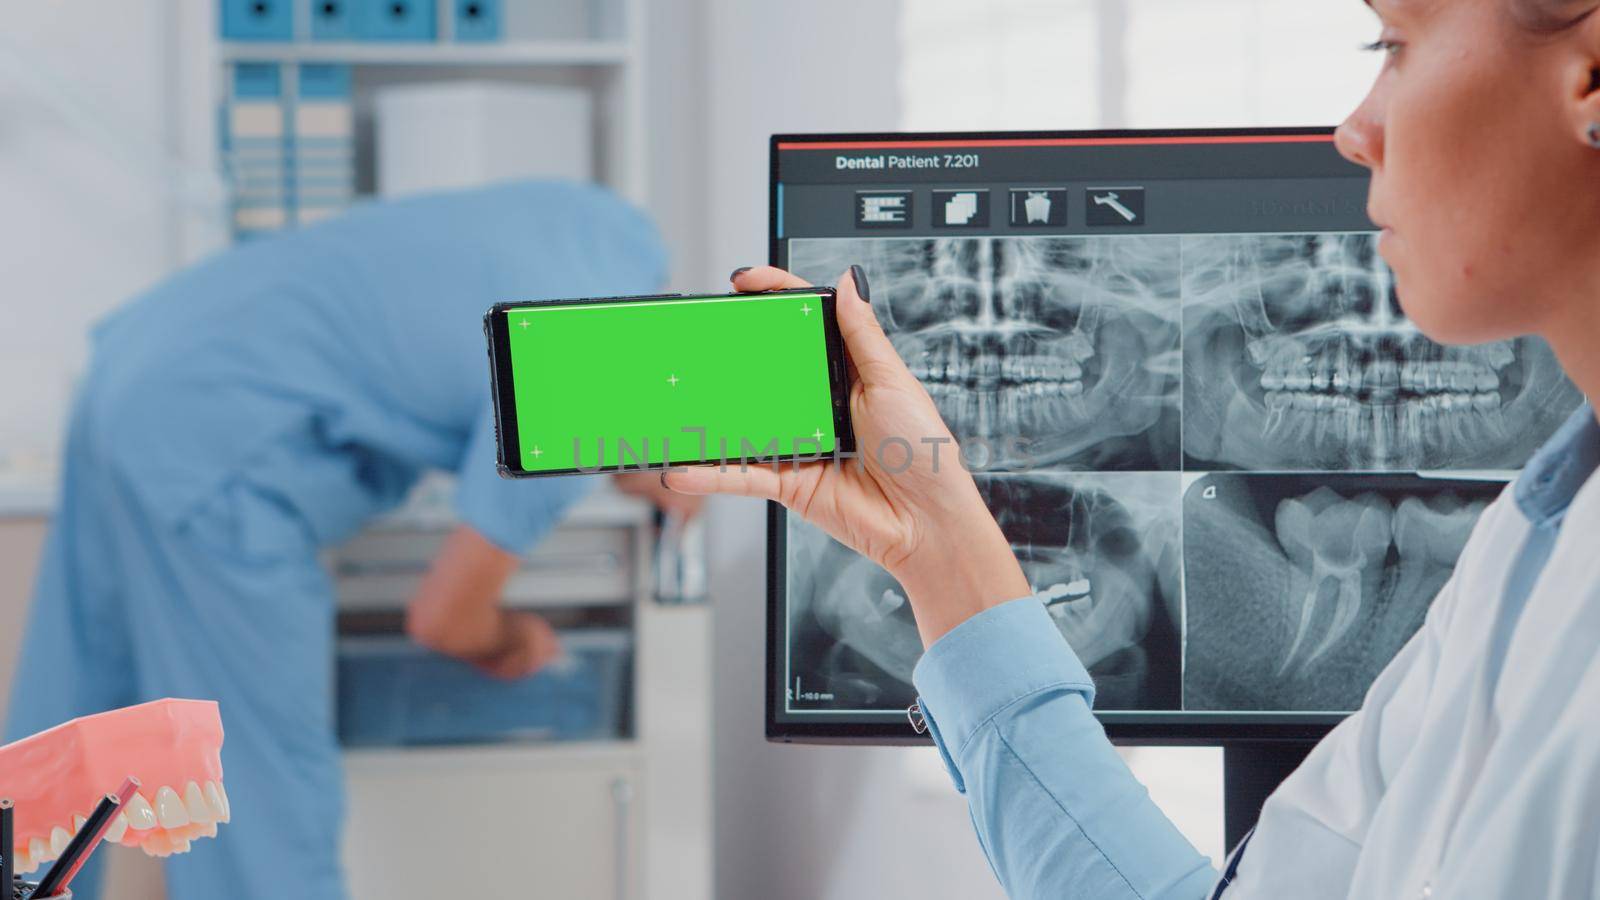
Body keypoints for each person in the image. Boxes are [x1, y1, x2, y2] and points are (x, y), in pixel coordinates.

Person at [666, 0, 1600, 895]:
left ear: (1591, 79)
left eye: (1390, 46)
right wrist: (936, 544)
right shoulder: (1527, 550)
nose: (1354, 132)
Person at [5, 181, 695, 900]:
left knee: (72, 719)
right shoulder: (585, 376)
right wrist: (518, 642)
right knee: (257, 796)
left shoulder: (608, 234)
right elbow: (444, 618)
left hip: (138, 361)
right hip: (214, 440)